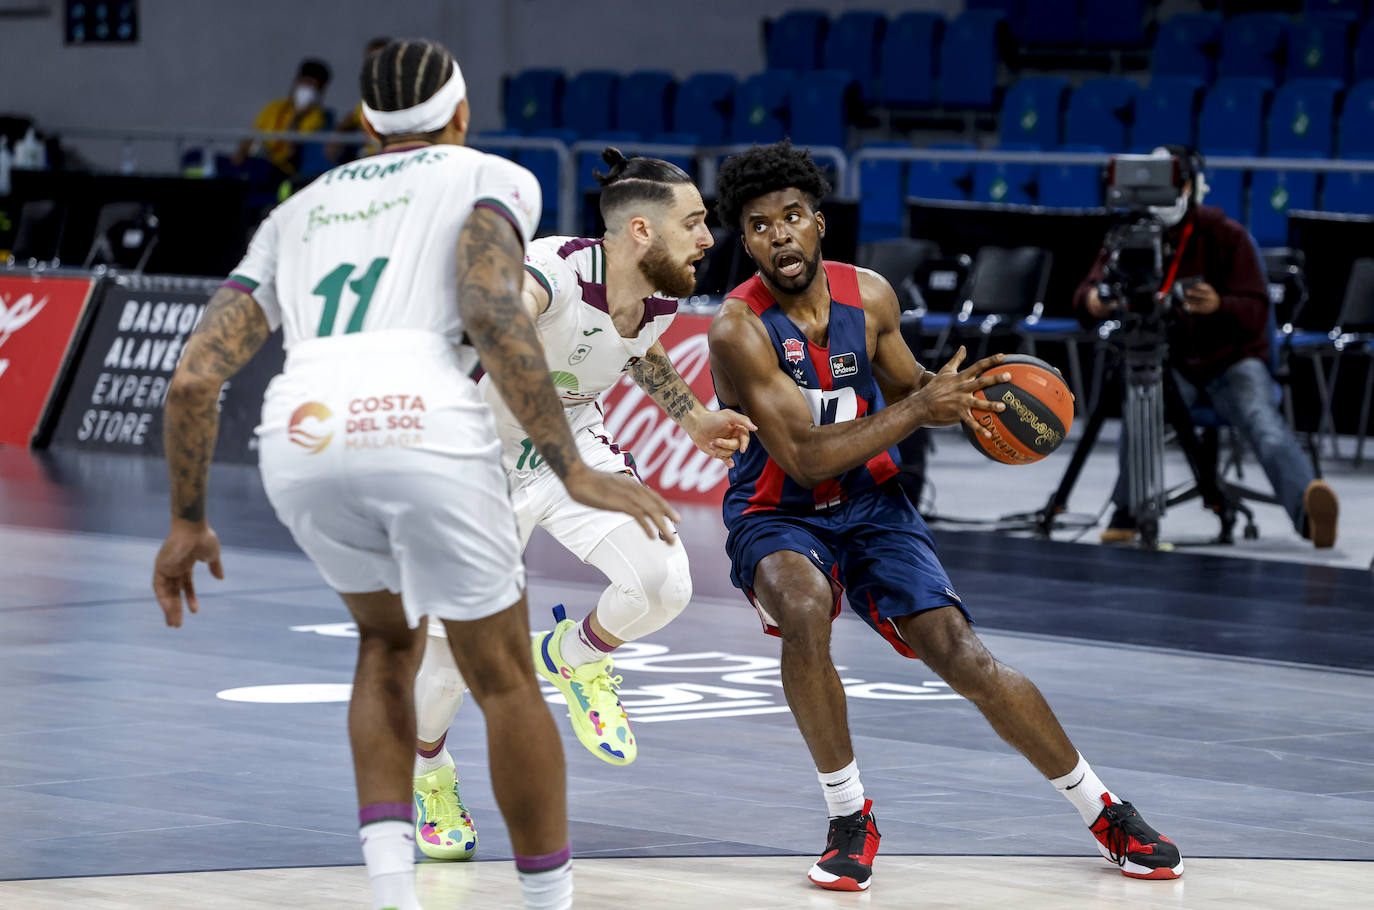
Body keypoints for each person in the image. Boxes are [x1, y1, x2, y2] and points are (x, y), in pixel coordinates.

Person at [152, 38, 678, 910]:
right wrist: (569, 466)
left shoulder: (298, 208)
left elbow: (195, 377)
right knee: (504, 674)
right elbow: (490, 311)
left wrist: (186, 519)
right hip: (422, 419)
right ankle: (551, 900)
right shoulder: (496, 180)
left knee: (384, 649)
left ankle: (395, 891)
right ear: (462, 116)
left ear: (362, 124)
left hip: (301, 432)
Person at [706, 140, 1184, 893]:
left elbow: (915, 386)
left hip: (872, 503)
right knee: (804, 607)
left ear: (819, 223)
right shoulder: (737, 328)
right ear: (747, 240)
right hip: (779, 509)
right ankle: (849, 817)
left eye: (793, 217)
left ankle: (1105, 810)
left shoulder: (872, 296)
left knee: (962, 653)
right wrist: (920, 408)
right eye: (761, 225)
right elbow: (802, 455)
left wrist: (966, 401)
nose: (780, 236)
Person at [409, 148, 755, 860]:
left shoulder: (660, 293)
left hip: (573, 447)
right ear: (638, 231)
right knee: (448, 665)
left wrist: (691, 417)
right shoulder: (552, 271)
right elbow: (502, 319)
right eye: (693, 223)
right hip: (475, 464)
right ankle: (429, 773)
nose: (707, 239)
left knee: (665, 583)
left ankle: (574, 654)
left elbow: (641, 351)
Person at [1075, 145, 1339, 548]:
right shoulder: (1126, 235)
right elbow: (1089, 291)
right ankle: (1127, 511)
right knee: (1140, 406)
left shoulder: (1226, 235)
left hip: (1232, 362)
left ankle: (1310, 515)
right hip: (1171, 362)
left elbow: (1256, 309)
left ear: (1188, 187)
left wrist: (1220, 304)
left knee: (1262, 422)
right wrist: (1093, 299)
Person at [234, 58, 333, 179]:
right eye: (307, 83)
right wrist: (240, 153)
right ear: (297, 82)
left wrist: (297, 117)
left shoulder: (317, 118)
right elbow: (253, 134)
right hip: (255, 161)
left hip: (281, 170)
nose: (310, 90)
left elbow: (294, 151)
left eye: (316, 88)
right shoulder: (274, 107)